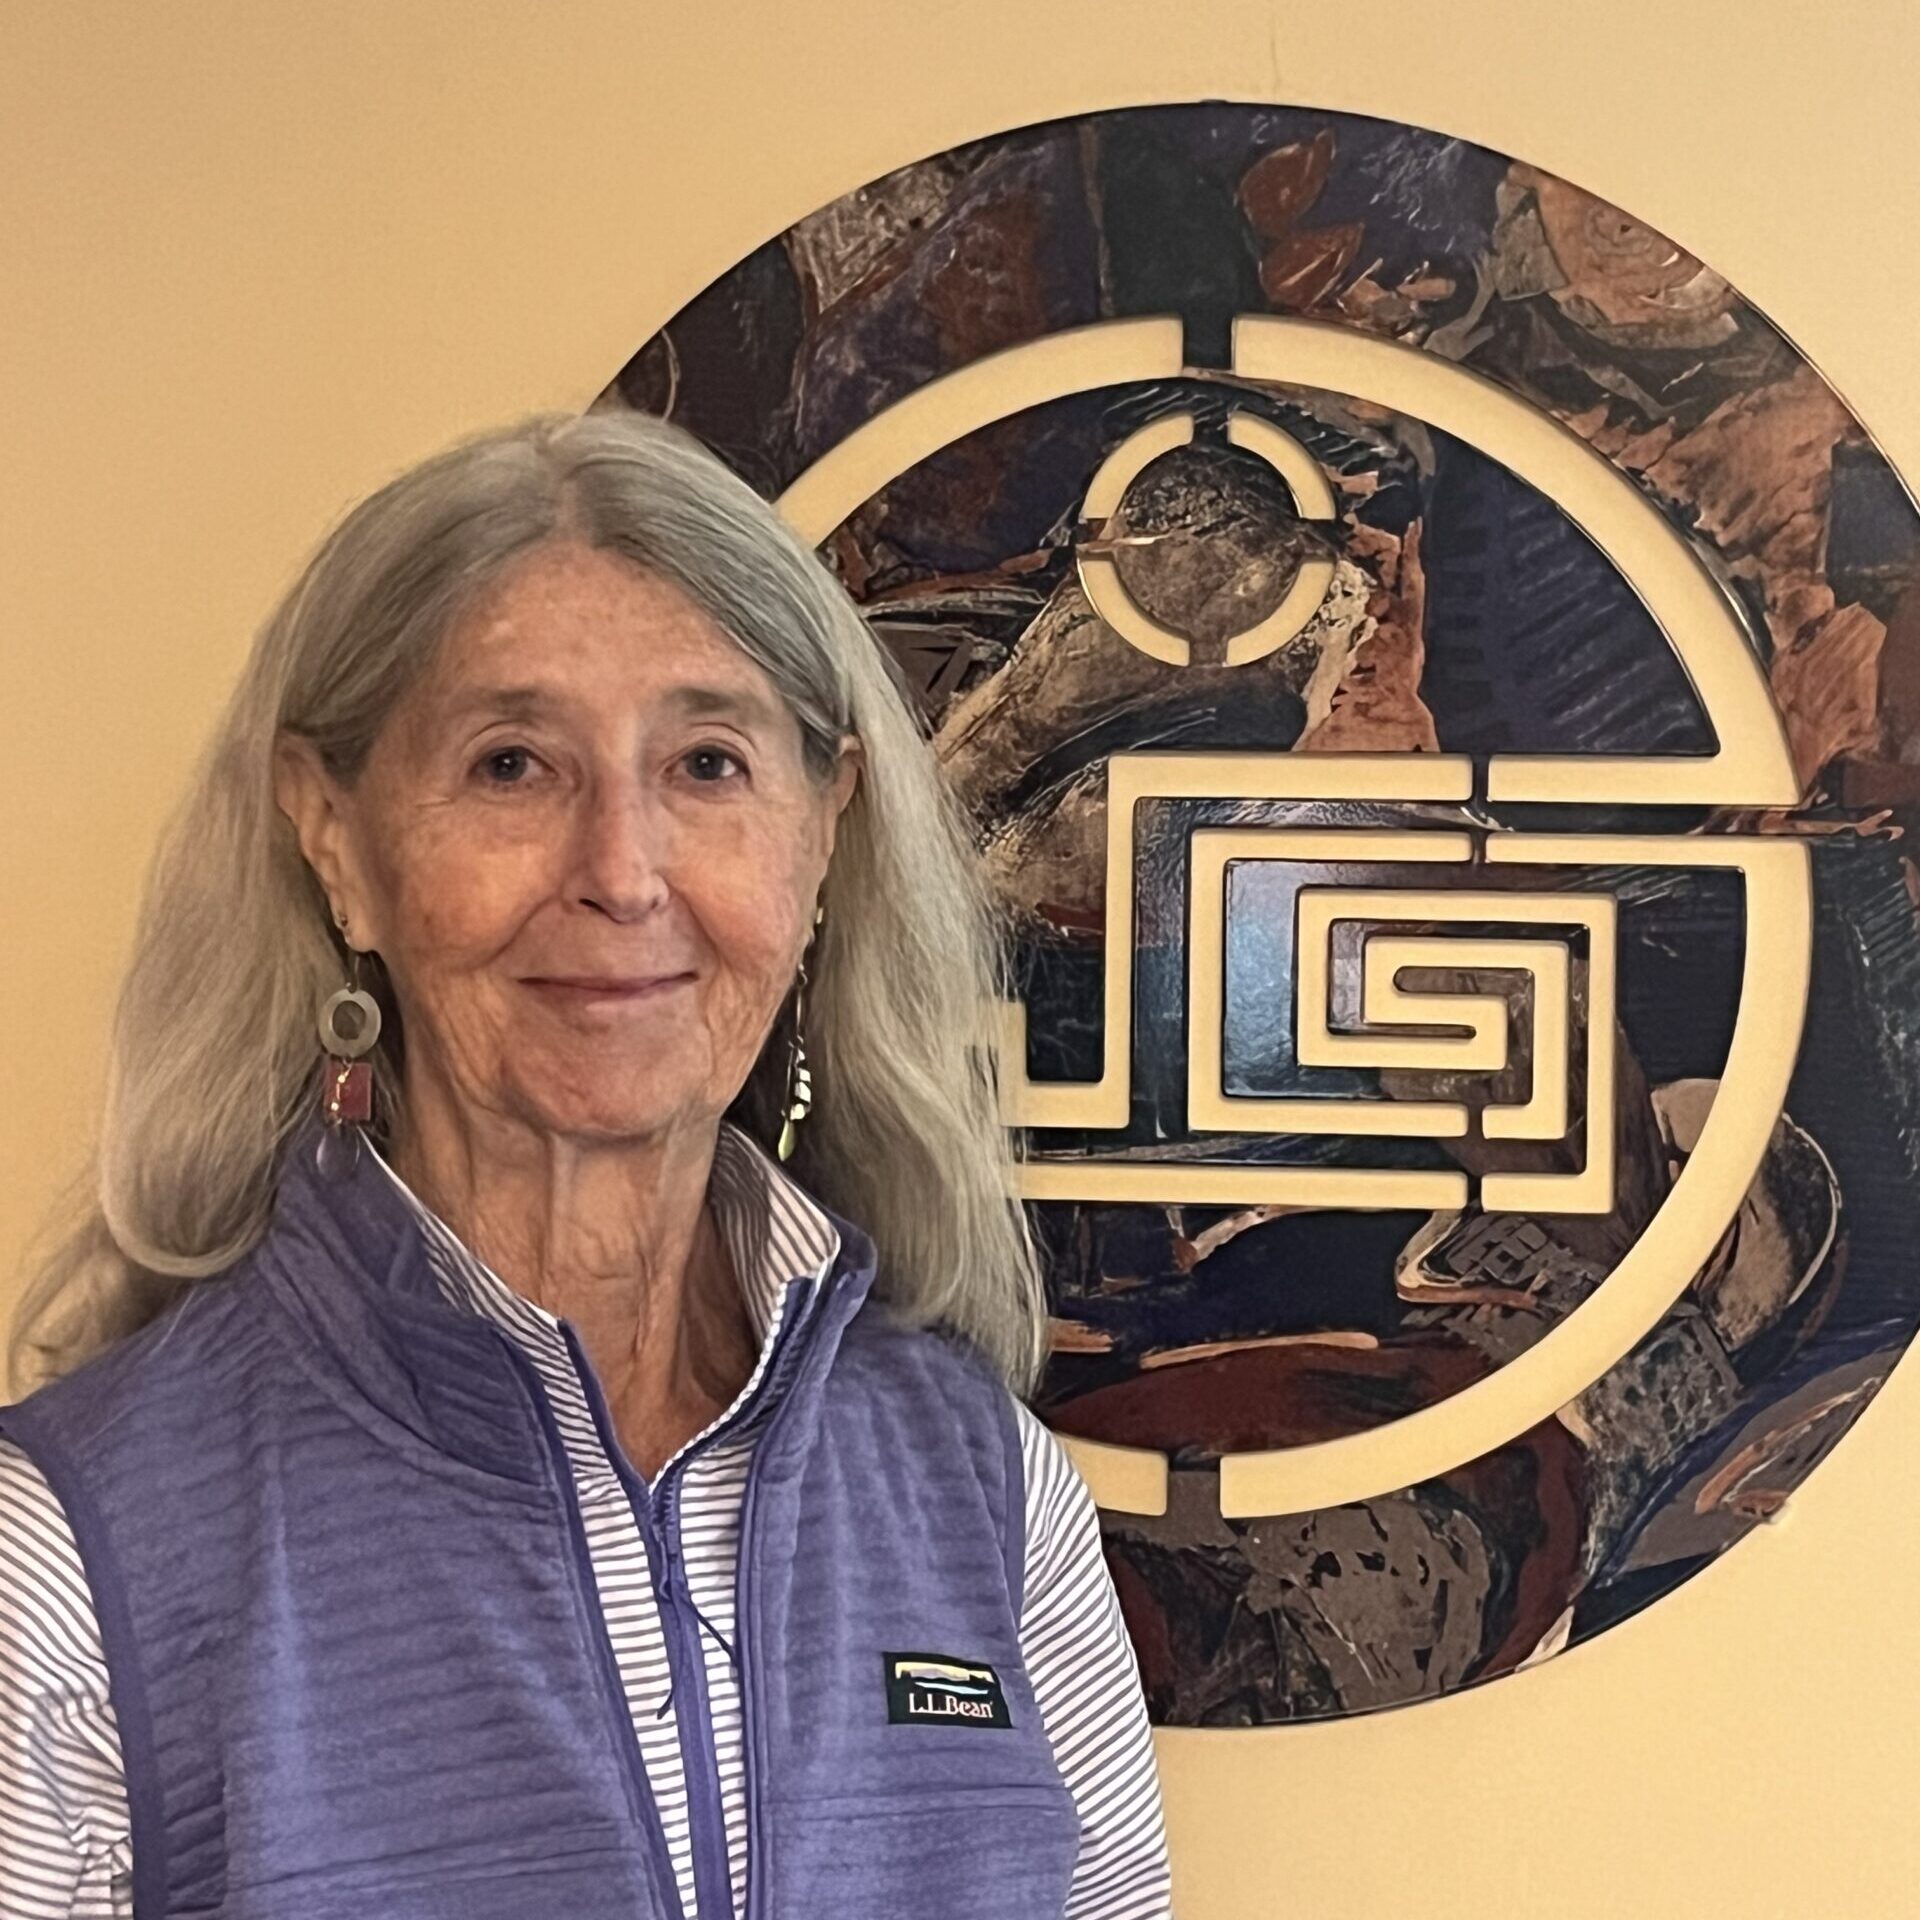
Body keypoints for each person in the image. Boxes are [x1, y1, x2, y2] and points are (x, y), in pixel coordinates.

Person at [0, 411, 1173, 1919]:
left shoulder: (984, 1485)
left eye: (706, 762)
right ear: (333, 837)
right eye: (510, 764)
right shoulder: (68, 1550)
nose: (621, 872)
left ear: (822, 836)